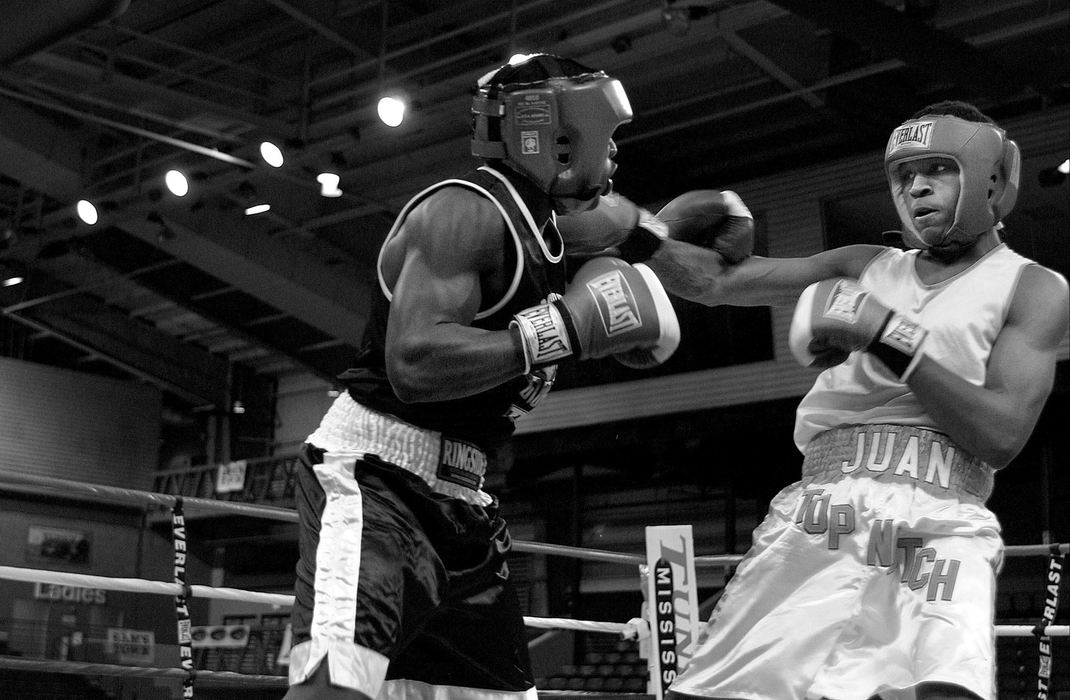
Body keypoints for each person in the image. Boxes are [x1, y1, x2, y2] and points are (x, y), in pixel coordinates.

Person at [281, 53, 749, 700]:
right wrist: (568, 329)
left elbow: (701, 275)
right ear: (558, 135)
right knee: (331, 692)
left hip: (466, 498)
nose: (613, 155)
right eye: (606, 136)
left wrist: (831, 271)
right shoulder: (460, 212)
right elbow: (413, 361)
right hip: (379, 476)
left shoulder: (577, 223)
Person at [641, 101, 1069, 700]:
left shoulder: (1033, 287)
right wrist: (643, 234)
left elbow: (1000, 436)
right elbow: (714, 283)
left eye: (938, 169)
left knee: (944, 688)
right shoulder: (865, 265)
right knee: (722, 691)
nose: (916, 187)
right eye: (903, 175)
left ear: (991, 178)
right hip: (826, 514)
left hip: (938, 517)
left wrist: (890, 337)